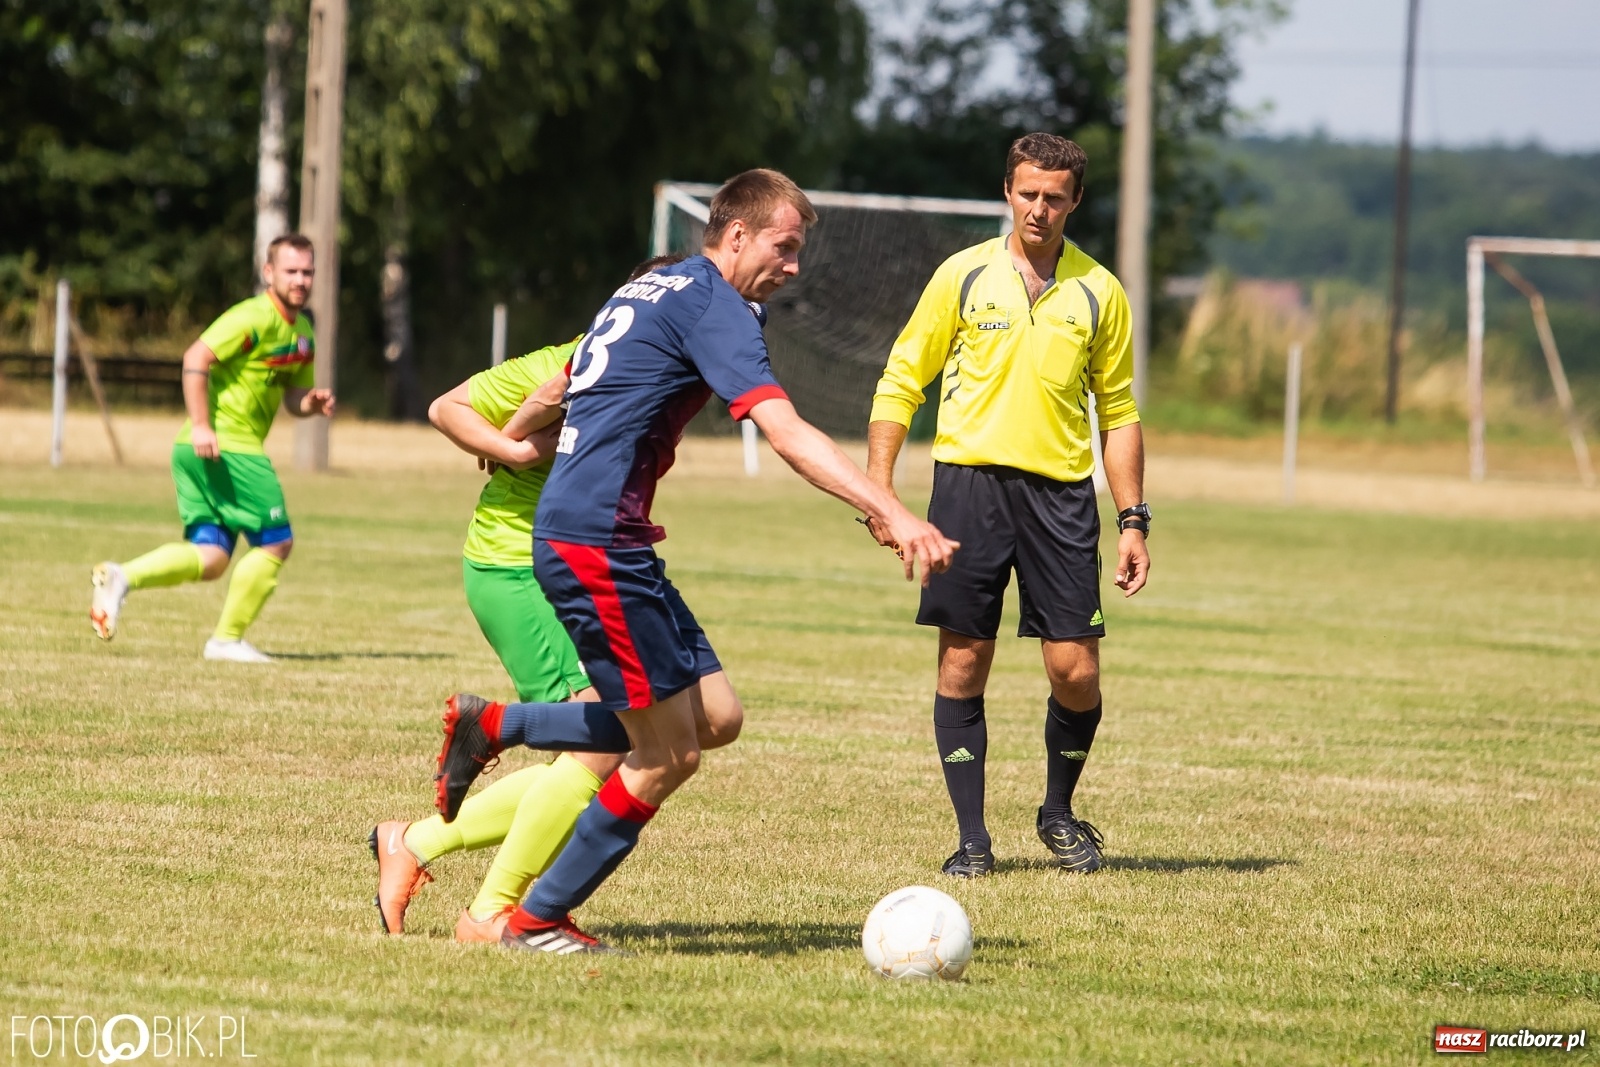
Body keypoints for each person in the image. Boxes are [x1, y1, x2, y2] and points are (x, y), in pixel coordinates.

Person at [431, 168, 959, 955]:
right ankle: (533, 921)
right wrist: (889, 508)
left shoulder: (644, 290)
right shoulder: (716, 303)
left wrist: (517, 440)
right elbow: (785, 432)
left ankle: (499, 723)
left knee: (715, 717)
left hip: (610, 537)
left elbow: (562, 384)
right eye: (784, 246)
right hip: (597, 544)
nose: (794, 266)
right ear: (736, 235)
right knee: (665, 754)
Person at [371, 256, 724, 944]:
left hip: (574, 562)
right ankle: (491, 911)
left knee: (650, 732)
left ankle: (414, 841)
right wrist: (515, 447)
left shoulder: (656, 372)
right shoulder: (574, 359)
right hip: (519, 568)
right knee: (608, 748)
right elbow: (449, 406)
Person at [865, 132, 1151, 878]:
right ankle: (972, 838)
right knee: (964, 660)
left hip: (1061, 497)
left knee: (1075, 670)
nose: (1040, 208)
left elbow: (1118, 413)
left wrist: (1133, 519)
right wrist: (879, 487)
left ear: (1075, 201)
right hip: (966, 488)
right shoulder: (961, 277)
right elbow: (902, 378)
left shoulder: (1100, 291)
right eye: (1028, 193)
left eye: (1055, 197)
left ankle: (1057, 811)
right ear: (1007, 192)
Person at [89, 234, 335, 663]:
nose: (300, 279)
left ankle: (122, 577)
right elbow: (195, 357)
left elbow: (294, 397)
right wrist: (202, 424)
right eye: (291, 270)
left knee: (213, 556)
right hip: (226, 444)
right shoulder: (253, 317)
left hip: (201, 449)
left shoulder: (303, 333)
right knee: (277, 542)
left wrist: (309, 403)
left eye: (307, 271)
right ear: (269, 273)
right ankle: (226, 640)